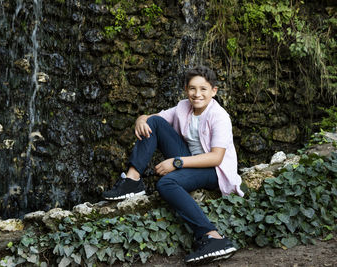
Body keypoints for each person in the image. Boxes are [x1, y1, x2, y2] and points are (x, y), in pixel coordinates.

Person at [102, 65, 244, 264]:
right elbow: (153, 120)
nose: (197, 94)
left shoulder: (219, 116)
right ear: (186, 89)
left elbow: (216, 158)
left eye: (203, 89)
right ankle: (133, 179)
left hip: (214, 170)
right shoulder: (182, 107)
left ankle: (214, 237)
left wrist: (176, 163)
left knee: (166, 183)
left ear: (214, 91)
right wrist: (140, 119)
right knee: (154, 123)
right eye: (192, 88)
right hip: (191, 162)